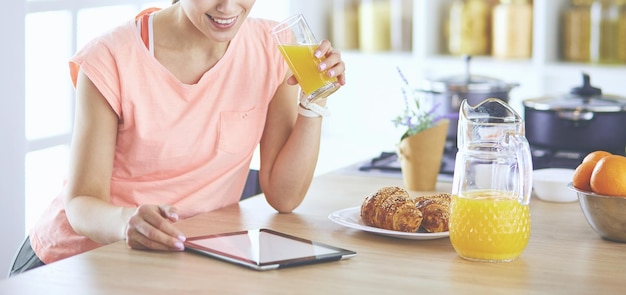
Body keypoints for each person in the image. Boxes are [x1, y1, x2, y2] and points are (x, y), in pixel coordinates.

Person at [10, 0, 345, 276]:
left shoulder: (274, 46)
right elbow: (81, 204)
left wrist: (314, 100)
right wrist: (127, 220)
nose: (227, 7)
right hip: (76, 263)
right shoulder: (110, 57)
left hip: (182, 259)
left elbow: (284, 196)